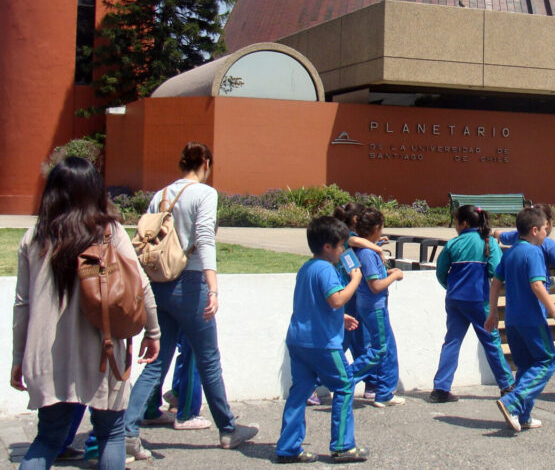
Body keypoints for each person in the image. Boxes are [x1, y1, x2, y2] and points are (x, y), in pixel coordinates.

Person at [12, 157, 161, 469]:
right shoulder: (108, 232)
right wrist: (153, 332)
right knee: (111, 434)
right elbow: (140, 285)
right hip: (101, 352)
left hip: (47, 357)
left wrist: (18, 358)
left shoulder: (34, 239)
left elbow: (22, 305)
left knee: (48, 438)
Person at [123, 143, 259, 460]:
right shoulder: (205, 194)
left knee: (157, 362)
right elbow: (204, 238)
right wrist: (213, 287)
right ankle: (228, 429)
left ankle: (127, 431)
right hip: (191, 281)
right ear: (206, 163)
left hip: (160, 285)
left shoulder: (160, 195)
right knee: (208, 359)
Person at [275, 217, 368, 463]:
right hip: (323, 343)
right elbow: (336, 299)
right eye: (341, 246)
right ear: (328, 246)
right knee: (345, 385)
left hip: (299, 340)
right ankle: (343, 446)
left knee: (300, 391)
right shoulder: (327, 269)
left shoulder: (307, 268)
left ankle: (288, 448)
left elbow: (315, 303)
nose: (343, 251)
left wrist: (340, 317)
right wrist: (356, 279)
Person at [484, 207, 555, 432]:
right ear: (534, 230)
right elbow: (537, 285)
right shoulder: (533, 252)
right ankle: (512, 401)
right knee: (546, 361)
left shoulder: (510, 252)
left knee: (525, 366)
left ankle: (523, 415)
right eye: (544, 229)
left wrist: (493, 312)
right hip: (532, 320)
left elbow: (495, 283)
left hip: (512, 320)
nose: (546, 233)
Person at [428, 205, 514, 404]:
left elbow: (441, 272)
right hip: (479, 301)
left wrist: (451, 287)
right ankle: (507, 385)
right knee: (491, 343)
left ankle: (440, 388)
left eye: (456, 222)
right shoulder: (489, 243)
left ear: (464, 223)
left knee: (452, 342)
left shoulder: (453, 244)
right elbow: (497, 272)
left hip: (454, 300)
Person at [348, 208, 405, 407]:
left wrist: (387, 271)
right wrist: (394, 276)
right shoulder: (368, 253)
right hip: (375, 307)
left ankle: (384, 392)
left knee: (387, 348)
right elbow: (375, 286)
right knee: (381, 349)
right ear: (374, 229)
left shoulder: (367, 250)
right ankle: (347, 377)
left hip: (370, 306)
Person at [497, 204, 555, 293]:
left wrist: (495, 234)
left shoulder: (518, 235)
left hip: (519, 291)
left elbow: (501, 235)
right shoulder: (548, 244)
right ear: (547, 223)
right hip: (540, 292)